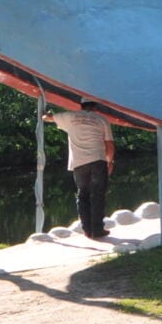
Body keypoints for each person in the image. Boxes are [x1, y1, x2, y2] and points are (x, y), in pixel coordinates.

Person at [45, 101, 115, 239]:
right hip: (97, 160)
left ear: (81, 106)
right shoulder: (102, 119)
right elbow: (109, 144)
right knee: (98, 195)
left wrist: (45, 111)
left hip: (78, 163)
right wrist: (110, 161)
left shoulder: (70, 117)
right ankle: (98, 229)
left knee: (83, 195)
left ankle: (87, 230)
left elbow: (47, 118)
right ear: (95, 107)